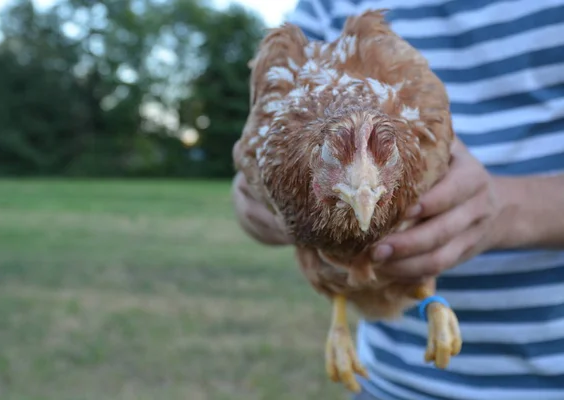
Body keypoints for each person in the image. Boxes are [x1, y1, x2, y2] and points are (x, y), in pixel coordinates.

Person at [232, 0, 564, 399]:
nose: (363, 191)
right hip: (385, 382)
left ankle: (426, 294)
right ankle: (340, 311)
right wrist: (260, 194)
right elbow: (262, 145)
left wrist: (505, 212)